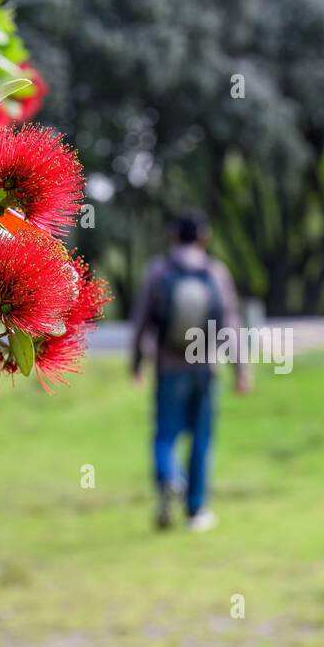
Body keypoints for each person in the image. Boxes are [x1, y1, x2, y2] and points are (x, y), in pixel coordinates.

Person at [130, 212, 251, 532]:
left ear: (172, 235)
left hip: (169, 367)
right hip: (206, 367)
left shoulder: (158, 271)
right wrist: (241, 371)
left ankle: (170, 479)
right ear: (204, 236)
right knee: (201, 440)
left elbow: (141, 322)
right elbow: (230, 325)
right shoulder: (215, 271)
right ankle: (196, 511)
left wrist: (136, 364)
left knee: (165, 435)